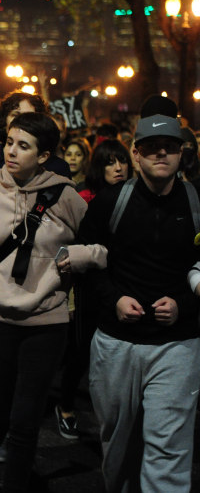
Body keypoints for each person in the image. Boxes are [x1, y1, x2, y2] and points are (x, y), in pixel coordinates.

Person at [0, 112, 106, 492]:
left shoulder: (66, 196)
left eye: (24, 146)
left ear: (44, 154)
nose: (12, 152)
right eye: (10, 142)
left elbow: (102, 248)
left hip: (47, 323)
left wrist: (82, 256)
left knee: (25, 419)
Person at [79, 114, 200, 493]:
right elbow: (86, 266)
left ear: (183, 153)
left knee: (169, 450)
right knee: (117, 443)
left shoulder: (198, 203)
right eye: (151, 146)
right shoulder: (108, 203)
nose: (161, 152)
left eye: (171, 146)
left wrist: (183, 304)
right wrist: (114, 298)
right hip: (117, 343)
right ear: (135, 153)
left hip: (178, 344)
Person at [54, 138, 132, 441]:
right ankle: (66, 406)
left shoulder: (136, 196)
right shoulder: (84, 197)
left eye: (122, 160)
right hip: (88, 285)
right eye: (110, 162)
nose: (118, 167)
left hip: (123, 284)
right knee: (81, 349)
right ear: (97, 167)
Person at [0, 92, 72, 190]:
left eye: (28, 116)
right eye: (15, 115)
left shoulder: (57, 168)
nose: (21, 121)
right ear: (4, 120)